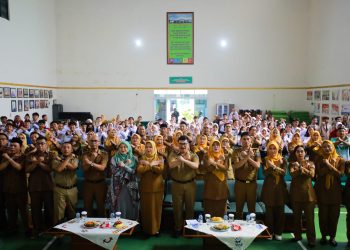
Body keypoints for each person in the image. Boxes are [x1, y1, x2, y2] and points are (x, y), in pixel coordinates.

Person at [168, 135, 199, 237]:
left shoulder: (193, 155)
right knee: (177, 208)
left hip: (190, 184)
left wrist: (184, 160)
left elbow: (196, 166)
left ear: (188, 144)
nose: (182, 146)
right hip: (176, 184)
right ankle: (178, 228)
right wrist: (180, 159)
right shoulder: (173, 154)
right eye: (180, 144)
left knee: (190, 207)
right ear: (178, 144)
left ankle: (189, 229)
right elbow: (171, 165)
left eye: (184, 144)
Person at [315, 140, 345, 246]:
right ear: (322, 149)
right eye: (324, 147)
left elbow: (340, 174)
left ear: (333, 147)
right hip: (322, 191)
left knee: (334, 216)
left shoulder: (340, 159)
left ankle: (333, 237)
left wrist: (329, 165)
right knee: (322, 216)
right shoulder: (319, 159)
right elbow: (319, 173)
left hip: (335, 192)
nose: (327, 149)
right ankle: (323, 236)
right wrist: (329, 167)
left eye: (329, 146)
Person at [0, 138, 30, 236]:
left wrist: (9, 159)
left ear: (20, 147)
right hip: (8, 189)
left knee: (23, 211)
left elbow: (19, 168)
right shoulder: (5, 156)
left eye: (15, 146)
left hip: (20, 189)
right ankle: (12, 229)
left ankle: (28, 229)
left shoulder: (24, 157)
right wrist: (10, 158)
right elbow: (1, 168)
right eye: (11, 146)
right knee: (11, 211)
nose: (12, 147)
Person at [26, 136, 54, 238]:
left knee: (49, 209)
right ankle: (37, 229)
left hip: (48, 186)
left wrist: (38, 162)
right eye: (38, 144)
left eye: (42, 143)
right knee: (35, 210)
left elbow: (50, 169)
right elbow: (27, 169)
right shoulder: (30, 155)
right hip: (34, 187)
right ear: (35, 145)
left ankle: (49, 228)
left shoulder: (51, 155)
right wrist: (37, 162)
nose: (40, 145)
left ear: (46, 145)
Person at [289, 145, 317, 248]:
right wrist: (302, 170)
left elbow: (311, 175)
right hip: (296, 194)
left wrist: (300, 167)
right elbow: (292, 174)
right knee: (296, 218)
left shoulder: (311, 163)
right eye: (298, 151)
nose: (300, 153)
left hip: (308, 195)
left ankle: (312, 240)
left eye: (302, 151)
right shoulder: (292, 164)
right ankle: (297, 236)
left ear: (305, 153)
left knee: (310, 219)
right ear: (295, 153)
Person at [261, 141, 288, 240]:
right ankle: (270, 232)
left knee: (280, 211)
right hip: (268, 188)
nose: (272, 150)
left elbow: (284, 173)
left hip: (280, 188)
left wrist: (274, 166)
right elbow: (264, 173)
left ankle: (278, 232)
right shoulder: (265, 159)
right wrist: (272, 167)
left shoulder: (283, 160)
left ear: (278, 149)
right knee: (269, 212)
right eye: (270, 148)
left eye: (274, 148)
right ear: (267, 149)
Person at [106, 141, 139, 220]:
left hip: (130, 186)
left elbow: (134, 172)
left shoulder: (134, 158)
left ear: (128, 148)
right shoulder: (114, 158)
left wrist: (124, 166)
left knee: (130, 204)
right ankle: (118, 223)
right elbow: (114, 172)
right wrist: (125, 165)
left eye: (125, 147)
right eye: (121, 147)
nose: (123, 149)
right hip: (118, 186)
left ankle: (131, 226)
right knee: (119, 204)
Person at [137, 141, 164, 236]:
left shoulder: (160, 158)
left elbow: (160, 170)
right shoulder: (141, 158)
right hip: (145, 188)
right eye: (147, 147)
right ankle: (146, 230)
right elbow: (139, 170)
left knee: (157, 209)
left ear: (154, 148)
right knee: (145, 209)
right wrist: (152, 164)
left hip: (157, 188)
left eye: (150, 147)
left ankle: (156, 230)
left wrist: (147, 164)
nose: (148, 149)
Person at [232, 132, 261, 219]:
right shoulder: (236, 151)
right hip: (239, 183)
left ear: (251, 140)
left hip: (251, 184)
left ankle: (252, 230)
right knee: (239, 209)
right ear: (241, 140)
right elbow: (236, 166)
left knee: (252, 209)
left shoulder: (256, 151)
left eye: (248, 139)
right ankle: (238, 229)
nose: (246, 141)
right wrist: (248, 157)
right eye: (244, 139)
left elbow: (258, 166)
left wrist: (247, 157)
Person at [52, 142, 79, 224]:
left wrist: (62, 161)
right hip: (60, 189)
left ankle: (72, 231)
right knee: (58, 213)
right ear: (61, 149)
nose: (66, 149)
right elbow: (59, 169)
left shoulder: (75, 158)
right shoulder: (55, 158)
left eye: (68, 147)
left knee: (72, 212)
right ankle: (59, 233)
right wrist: (67, 159)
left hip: (72, 189)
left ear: (71, 149)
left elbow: (73, 167)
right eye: (64, 147)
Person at [82, 134, 108, 217]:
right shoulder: (85, 154)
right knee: (87, 207)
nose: (94, 143)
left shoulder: (104, 154)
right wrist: (92, 160)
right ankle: (87, 227)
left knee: (101, 206)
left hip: (100, 184)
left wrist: (90, 163)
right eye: (92, 141)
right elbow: (84, 169)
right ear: (88, 142)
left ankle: (103, 228)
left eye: (96, 141)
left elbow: (102, 168)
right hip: (88, 184)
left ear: (99, 142)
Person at [202, 140, 228, 217]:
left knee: (221, 210)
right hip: (210, 186)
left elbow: (225, 168)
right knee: (209, 211)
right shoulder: (206, 156)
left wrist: (214, 162)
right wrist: (219, 161)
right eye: (213, 145)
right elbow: (209, 169)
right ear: (210, 146)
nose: (216, 147)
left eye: (217, 145)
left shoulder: (224, 156)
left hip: (221, 186)